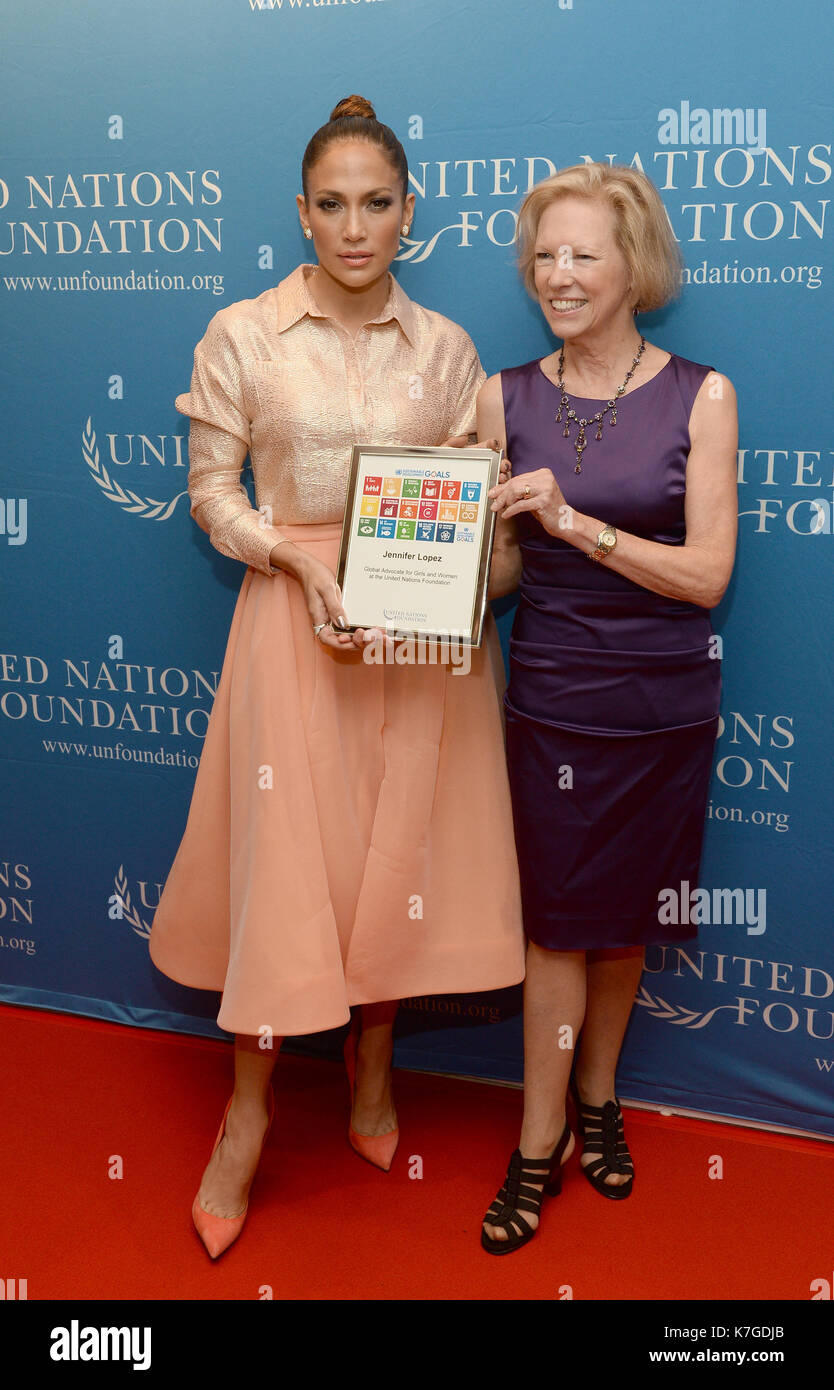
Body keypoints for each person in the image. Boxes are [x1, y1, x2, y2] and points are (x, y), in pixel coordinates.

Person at [149, 95, 525, 1259]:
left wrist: (465, 581)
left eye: (376, 204)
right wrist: (293, 568)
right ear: (300, 213)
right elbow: (215, 496)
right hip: (290, 624)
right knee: (288, 863)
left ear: (410, 213)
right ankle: (247, 1117)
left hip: (419, 643)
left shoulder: (452, 349)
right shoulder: (242, 333)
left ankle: (372, 1063)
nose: (353, 226)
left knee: (391, 848)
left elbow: (471, 514)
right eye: (331, 204)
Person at [477, 162, 738, 1253]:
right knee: (555, 930)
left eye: (583, 253)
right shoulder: (502, 395)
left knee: (628, 925)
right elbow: (494, 585)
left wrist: (576, 526)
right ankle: (539, 1139)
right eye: (545, 254)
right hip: (554, 702)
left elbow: (708, 576)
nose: (560, 274)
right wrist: (444, 539)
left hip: (665, 707)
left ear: (636, 266)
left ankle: (599, 1102)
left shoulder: (704, 394)